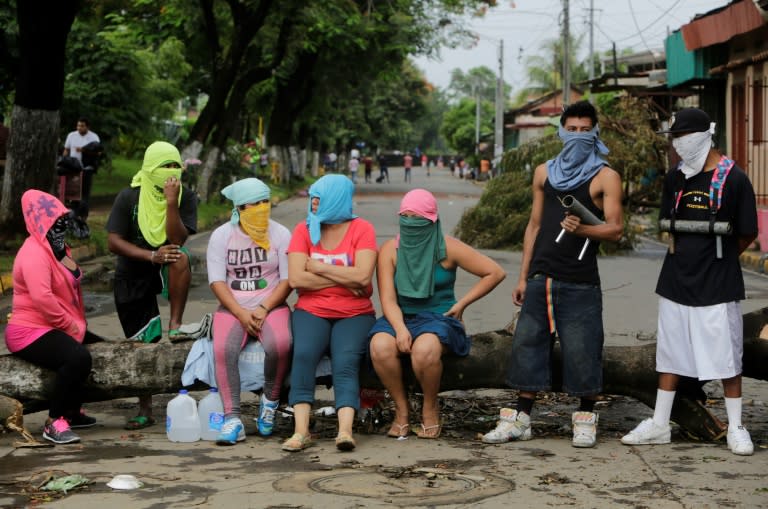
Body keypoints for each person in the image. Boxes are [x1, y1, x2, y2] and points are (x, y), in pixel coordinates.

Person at [482, 100, 623, 448]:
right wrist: (522, 276)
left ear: (595, 133)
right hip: (540, 277)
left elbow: (616, 230)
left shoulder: (606, 176)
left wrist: (584, 231)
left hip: (580, 278)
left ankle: (585, 419)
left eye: (584, 130)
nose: (577, 136)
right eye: (571, 129)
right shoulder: (544, 172)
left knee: (583, 349)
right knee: (527, 346)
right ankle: (521, 419)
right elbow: (533, 225)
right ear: (560, 132)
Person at [621, 108, 758, 456]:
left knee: (726, 355)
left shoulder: (735, 178)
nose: (677, 145)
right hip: (675, 281)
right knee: (671, 354)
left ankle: (737, 427)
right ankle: (660, 423)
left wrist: (717, 259)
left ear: (702, 136)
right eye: (674, 139)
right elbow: (668, 224)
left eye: (682, 138)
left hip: (717, 284)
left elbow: (746, 233)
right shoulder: (675, 178)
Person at [369, 189, 506, 439]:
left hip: (440, 319)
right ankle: (401, 411)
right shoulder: (390, 249)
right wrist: (400, 329)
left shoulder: (448, 247)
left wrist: (462, 303)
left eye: (417, 219)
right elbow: (387, 299)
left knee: (424, 351)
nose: (411, 224)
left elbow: (494, 272)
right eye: (405, 218)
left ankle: (430, 409)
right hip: (401, 317)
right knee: (379, 346)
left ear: (432, 220)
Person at [106, 141, 197, 430]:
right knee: (143, 341)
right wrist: (149, 255)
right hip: (133, 271)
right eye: (164, 166)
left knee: (180, 257)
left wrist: (171, 203)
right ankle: (145, 406)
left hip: (166, 264)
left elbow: (178, 239)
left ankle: (176, 323)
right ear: (149, 168)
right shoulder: (128, 196)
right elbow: (113, 241)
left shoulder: (185, 196)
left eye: (175, 165)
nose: (171, 172)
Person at [283, 174, 377, 452]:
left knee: (346, 361)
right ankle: (301, 431)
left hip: (355, 314)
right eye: (312, 196)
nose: (313, 202)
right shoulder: (304, 230)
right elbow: (297, 280)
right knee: (303, 354)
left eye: (319, 197)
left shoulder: (363, 229)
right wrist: (346, 279)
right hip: (311, 310)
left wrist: (319, 267)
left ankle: (345, 431)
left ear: (336, 198)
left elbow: (364, 276)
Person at [5, 190, 104, 444]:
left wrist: (61, 253)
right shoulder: (33, 254)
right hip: (28, 331)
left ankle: (72, 410)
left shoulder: (55, 249)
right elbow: (43, 299)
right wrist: (71, 326)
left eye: (63, 219)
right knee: (78, 356)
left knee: (98, 346)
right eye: (55, 221)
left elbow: (76, 276)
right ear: (41, 223)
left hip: (50, 325)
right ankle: (53, 422)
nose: (61, 225)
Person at [206, 178, 293, 445]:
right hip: (233, 307)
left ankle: (270, 402)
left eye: (265, 202)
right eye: (254, 204)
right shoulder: (222, 236)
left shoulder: (280, 234)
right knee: (222, 349)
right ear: (240, 208)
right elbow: (217, 281)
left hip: (272, 305)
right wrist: (242, 314)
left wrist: (264, 307)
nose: (261, 208)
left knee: (281, 344)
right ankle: (231, 418)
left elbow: (288, 279)